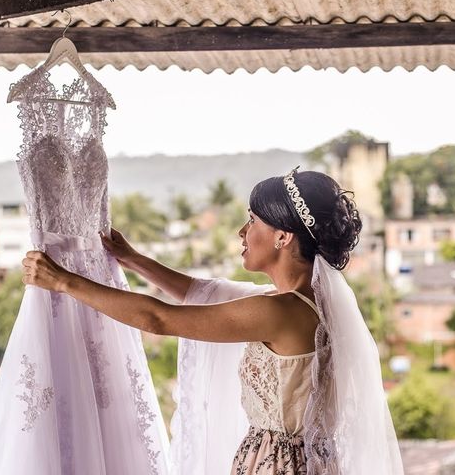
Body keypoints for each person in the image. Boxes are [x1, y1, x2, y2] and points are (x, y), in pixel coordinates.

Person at [23, 167, 403, 475]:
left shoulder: (278, 311)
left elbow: (158, 319)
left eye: (252, 221)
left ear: (283, 237)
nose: (242, 232)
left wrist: (63, 281)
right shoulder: (305, 303)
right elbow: (203, 290)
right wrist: (133, 259)